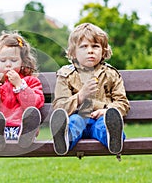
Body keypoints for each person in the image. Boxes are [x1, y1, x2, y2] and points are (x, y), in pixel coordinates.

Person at [50, 23, 130, 156]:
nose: (90, 51)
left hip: (100, 119)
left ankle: (114, 139)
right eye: (84, 47)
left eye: (95, 46)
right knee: (75, 122)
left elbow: (123, 103)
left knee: (103, 127)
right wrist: (81, 96)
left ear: (103, 51)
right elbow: (59, 106)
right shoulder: (65, 74)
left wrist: (106, 111)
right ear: (73, 52)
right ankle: (64, 139)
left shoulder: (110, 74)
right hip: (77, 117)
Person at [0, 31, 45, 151]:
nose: (8, 65)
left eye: (13, 60)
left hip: (21, 127)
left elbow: (34, 104)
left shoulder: (30, 81)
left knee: (28, 121)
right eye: (3, 61)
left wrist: (20, 85)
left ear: (23, 62)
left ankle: (25, 137)